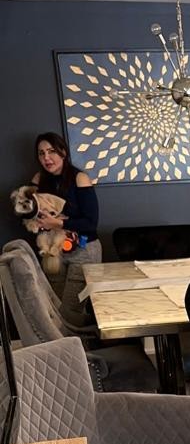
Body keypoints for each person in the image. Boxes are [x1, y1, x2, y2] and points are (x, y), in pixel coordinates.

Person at [28, 131, 100, 322]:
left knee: (70, 312)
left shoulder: (80, 178)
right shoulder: (38, 180)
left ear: (63, 152)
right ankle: (67, 350)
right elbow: (28, 211)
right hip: (52, 250)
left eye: (51, 151)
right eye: (41, 153)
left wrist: (58, 222)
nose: (46, 157)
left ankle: (81, 351)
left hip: (83, 250)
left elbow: (91, 223)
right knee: (55, 309)